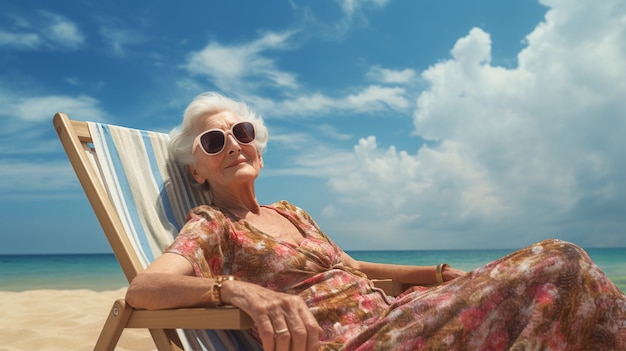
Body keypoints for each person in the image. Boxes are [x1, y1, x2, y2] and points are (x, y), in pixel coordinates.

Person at [126, 91, 626, 351]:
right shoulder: (214, 223)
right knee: (559, 262)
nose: (232, 143)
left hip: (397, 315)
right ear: (197, 170)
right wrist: (235, 290)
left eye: (240, 131)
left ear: (256, 140)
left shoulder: (291, 212)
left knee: (569, 284)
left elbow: (349, 267)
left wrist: (435, 275)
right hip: (359, 342)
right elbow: (143, 290)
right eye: (213, 142)